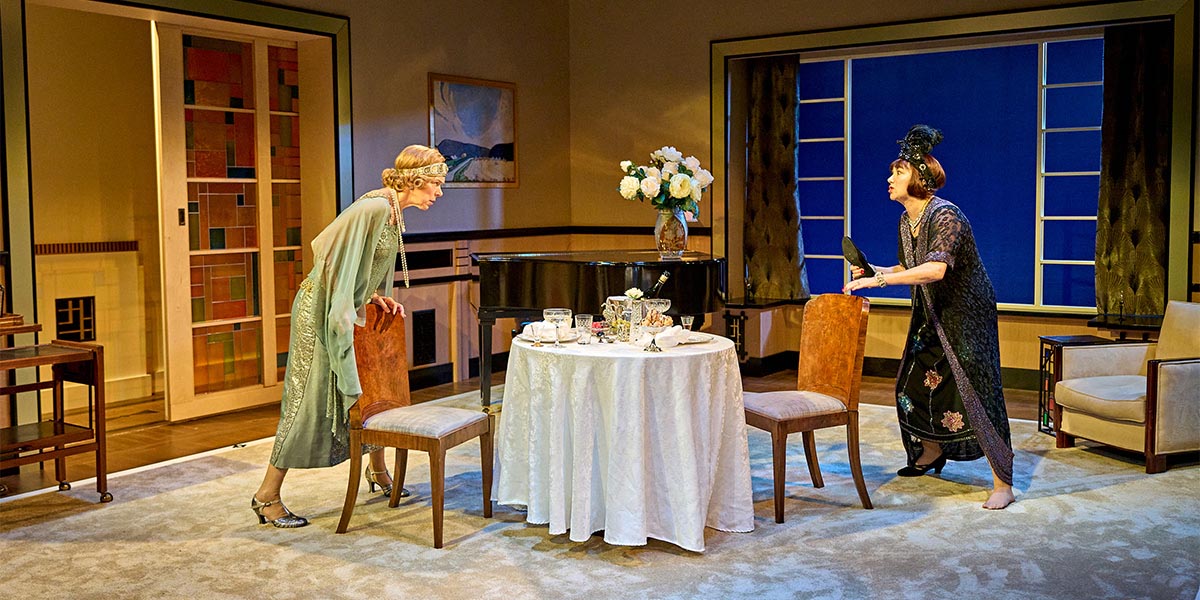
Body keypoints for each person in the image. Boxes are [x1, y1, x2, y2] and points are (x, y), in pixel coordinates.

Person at [251, 144, 447, 527]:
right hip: (323, 310)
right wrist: (344, 314)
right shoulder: (374, 208)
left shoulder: (392, 212)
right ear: (418, 180)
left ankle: (376, 469)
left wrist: (373, 297)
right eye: (436, 185)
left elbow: (355, 266)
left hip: (344, 306)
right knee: (308, 399)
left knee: (372, 389)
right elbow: (329, 257)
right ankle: (266, 495)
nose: (438, 193)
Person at [843, 125, 1015, 510]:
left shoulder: (946, 215)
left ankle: (1003, 481)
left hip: (965, 312)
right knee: (912, 382)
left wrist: (882, 281)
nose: (889, 178)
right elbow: (910, 265)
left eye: (898, 172)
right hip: (931, 309)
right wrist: (874, 271)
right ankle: (932, 451)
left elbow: (935, 270)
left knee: (977, 393)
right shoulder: (907, 220)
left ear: (918, 177)